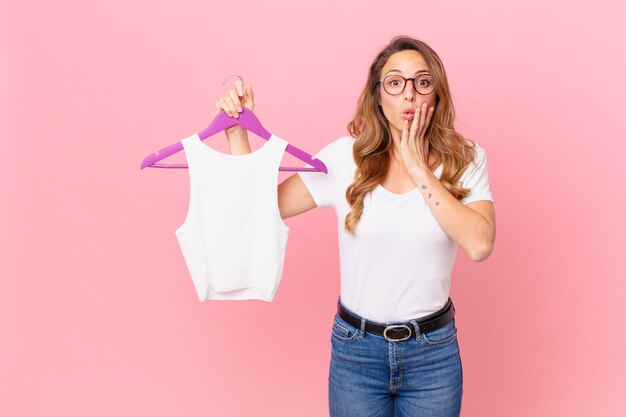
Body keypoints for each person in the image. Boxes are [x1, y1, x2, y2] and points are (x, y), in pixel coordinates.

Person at [214, 35, 496, 417]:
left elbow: (479, 245)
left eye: (422, 82)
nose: (409, 95)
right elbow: (259, 211)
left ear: (437, 94)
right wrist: (237, 137)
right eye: (395, 83)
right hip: (357, 352)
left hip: (433, 355)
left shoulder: (467, 158)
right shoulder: (344, 158)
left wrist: (418, 167)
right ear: (379, 97)